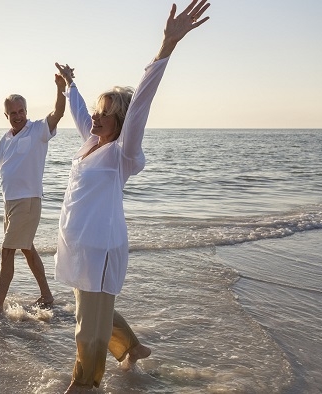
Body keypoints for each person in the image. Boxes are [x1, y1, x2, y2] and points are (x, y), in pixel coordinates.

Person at [53, 1, 211, 391]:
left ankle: (85, 383)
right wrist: (71, 84)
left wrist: (166, 48)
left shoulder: (122, 152)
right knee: (91, 309)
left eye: (104, 113)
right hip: (79, 245)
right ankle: (131, 348)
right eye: (97, 111)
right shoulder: (91, 143)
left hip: (102, 246)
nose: (96, 117)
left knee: (87, 324)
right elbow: (78, 112)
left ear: (120, 120)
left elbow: (140, 104)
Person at [0, 73, 66, 316]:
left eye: (21, 111)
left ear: (26, 111)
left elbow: (58, 113)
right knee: (27, 249)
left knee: (7, 250)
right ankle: (47, 295)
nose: (18, 116)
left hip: (28, 201)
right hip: (10, 203)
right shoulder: (6, 138)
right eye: (13, 113)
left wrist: (60, 88)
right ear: (6, 115)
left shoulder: (38, 130)